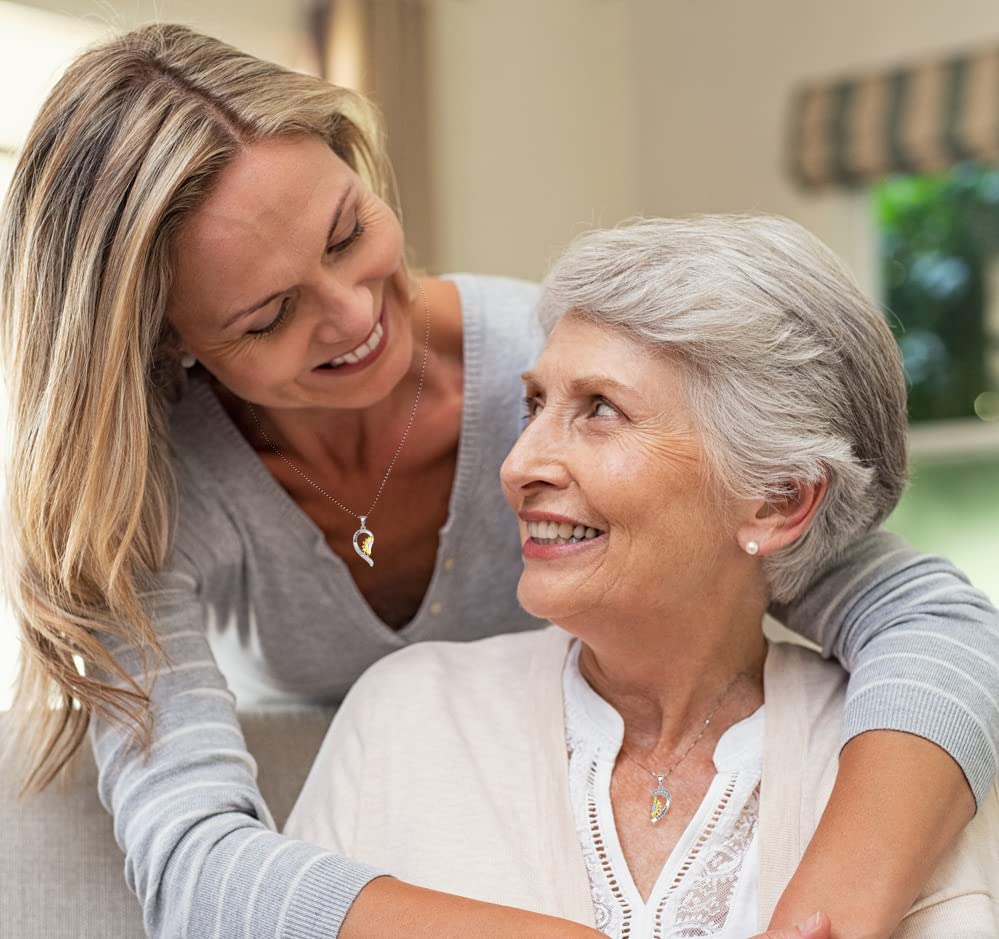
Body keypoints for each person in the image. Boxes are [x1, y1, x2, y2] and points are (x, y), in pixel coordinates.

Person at [0, 23, 995, 939]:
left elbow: (926, 618)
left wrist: (829, 910)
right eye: (267, 316)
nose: (353, 316)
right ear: (170, 340)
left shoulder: (551, 362)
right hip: (377, 822)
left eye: (348, 234)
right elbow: (194, 866)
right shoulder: (143, 497)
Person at [285, 215, 999, 938]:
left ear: (778, 499)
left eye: (600, 410)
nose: (516, 465)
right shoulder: (406, 714)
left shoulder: (905, 764)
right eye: (535, 404)